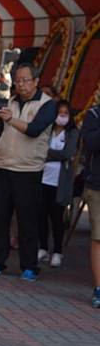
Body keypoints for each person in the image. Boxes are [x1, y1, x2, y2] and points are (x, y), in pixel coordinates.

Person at [0, 63, 56, 282]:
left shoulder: (47, 105)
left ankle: (29, 265)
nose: (21, 84)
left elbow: (34, 130)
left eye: (25, 80)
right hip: (3, 167)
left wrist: (10, 119)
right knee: (0, 218)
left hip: (28, 170)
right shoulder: (11, 102)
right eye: (17, 80)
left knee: (27, 220)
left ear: (36, 81)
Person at [38, 100, 78, 268]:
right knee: (41, 216)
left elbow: (67, 154)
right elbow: (38, 150)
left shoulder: (72, 133)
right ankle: (43, 248)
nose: (62, 117)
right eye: (59, 113)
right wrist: (55, 155)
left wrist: (49, 154)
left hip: (59, 182)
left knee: (57, 218)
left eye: (65, 114)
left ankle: (57, 251)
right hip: (43, 178)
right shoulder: (48, 131)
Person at [79, 104, 100, 307]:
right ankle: (99, 288)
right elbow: (91, 144)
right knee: (98, 237)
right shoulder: (94, 114)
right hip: (98, 186)